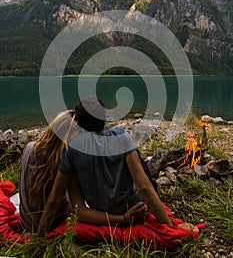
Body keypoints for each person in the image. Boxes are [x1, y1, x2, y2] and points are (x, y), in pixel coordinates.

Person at [37, 96, 198, 235]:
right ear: (104, 119)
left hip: (102, 215)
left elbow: (57, 201)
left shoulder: (71, 152)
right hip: (136, 211)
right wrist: (169, 227)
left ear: (78, 122)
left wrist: (39, 236)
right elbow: (144, 187)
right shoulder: (121, 137)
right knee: (134, 155)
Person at [19, 106, 145, 232]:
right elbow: (71, 207)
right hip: (54, 223)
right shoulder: (68, 158)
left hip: (27, 223)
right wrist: (123, 218)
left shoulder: (30, 149)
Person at [19, 110, 75, 231]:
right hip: (51, 224)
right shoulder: (65, 159)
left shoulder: (29, 148)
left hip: (26, 223)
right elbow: (53, 202)